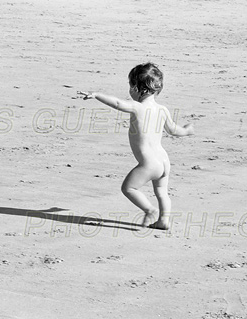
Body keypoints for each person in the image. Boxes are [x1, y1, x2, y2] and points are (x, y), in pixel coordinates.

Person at [80, 62, 194, 230]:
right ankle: (164, 220)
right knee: (162, 192)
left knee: (129, 188)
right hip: (163, 160)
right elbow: (173, 130)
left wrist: (97, 95)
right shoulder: (162, 110)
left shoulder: (137, 107)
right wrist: (187, 130)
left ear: (136, 88)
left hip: (149, 164)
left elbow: (118, 104)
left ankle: (150, 210)